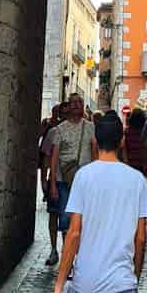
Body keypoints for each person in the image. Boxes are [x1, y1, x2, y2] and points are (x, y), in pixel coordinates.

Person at [50, 111, 147, 293]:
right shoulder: (137, 180)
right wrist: (134, 276)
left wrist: (59, 285)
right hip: (121, 283)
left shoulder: (84, 176)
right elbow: (141, 238)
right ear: (122, 140)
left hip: (88, 281)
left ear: (95, 140)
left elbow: (74, 233)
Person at [50, 92, 98, 234]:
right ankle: (68, 249)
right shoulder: (60, 129)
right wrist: (52, 184)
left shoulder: (91, 127)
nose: (77, 105)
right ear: (69, 106)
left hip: (85, 180)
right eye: (73, 102)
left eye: (79, 102)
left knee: (85, 217)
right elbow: (54, 158)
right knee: (65, 217)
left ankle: (79, 251)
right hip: (64, 179)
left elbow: (95, 153)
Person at [40, 104, 64, 265]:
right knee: (54, 214)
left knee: (67, 217)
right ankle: (54, 249)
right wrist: (43, 179)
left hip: (71, 180)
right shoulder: (52, 132)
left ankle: (66, 251)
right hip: (56, 179)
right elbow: (46, 157)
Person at [120, 108, 147, 175]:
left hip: (130, 164)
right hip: (141, 164)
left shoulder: (127, 132)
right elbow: (146, 149)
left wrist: (125, 163)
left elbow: (124, 148)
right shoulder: (144, 132)